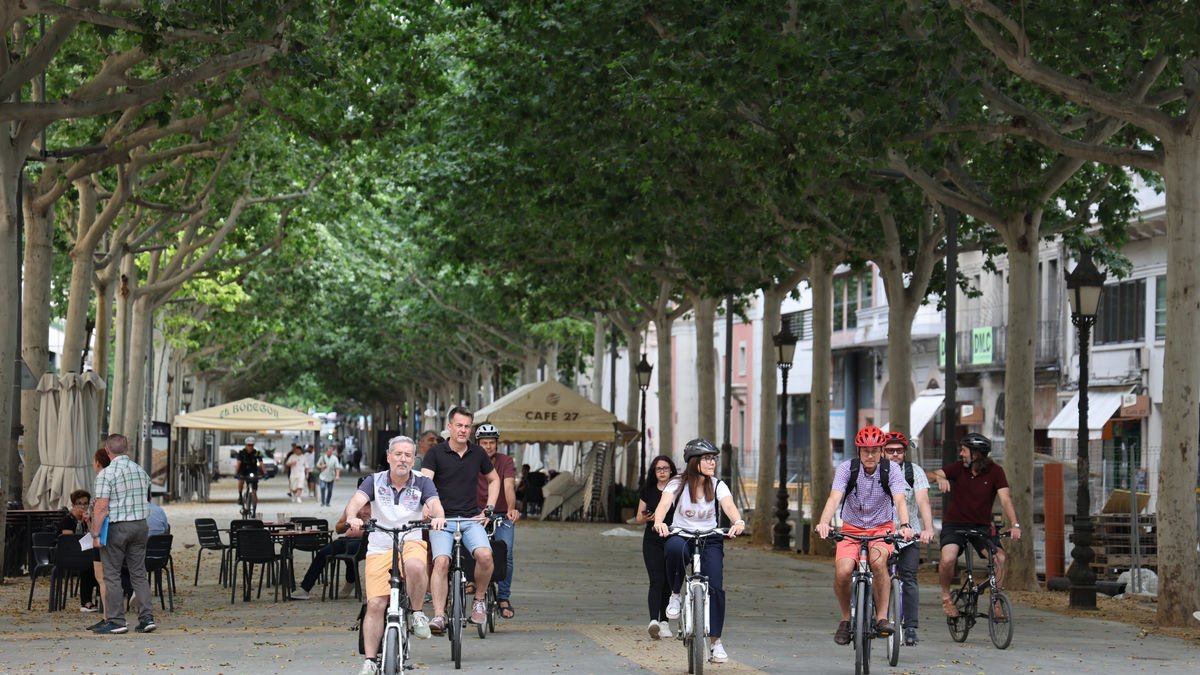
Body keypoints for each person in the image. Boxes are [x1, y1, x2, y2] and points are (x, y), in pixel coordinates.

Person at [344, 436, 445, 675]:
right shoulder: (374, 481)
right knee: (376, 604)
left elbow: (435, 503)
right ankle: (369, 660)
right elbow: (356, 501)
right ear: (389, 457)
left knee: (415, 566)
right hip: (380, 544)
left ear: (413, 459)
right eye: (398, 454)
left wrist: (438, 516)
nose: (403, 459)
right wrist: (352, 516)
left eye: (408, 455)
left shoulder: (422, 482)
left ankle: (418, 612)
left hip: (410, 538)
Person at [814, 425, 914, 645]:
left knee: (878, 564)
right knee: (843, 571)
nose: (870, 455)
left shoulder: (891, 470)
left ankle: (881, 618)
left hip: (881, 529)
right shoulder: (846, 469)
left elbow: (899, 499)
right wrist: (823, 522)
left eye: (875, 450)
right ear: (858, 451)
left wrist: (905, 525)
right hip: (851, 529)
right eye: (865, 450)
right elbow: (834, 499)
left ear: (881, 450)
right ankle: (845, 620)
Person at [652, 438, 744, 665]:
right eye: (707, 458)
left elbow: (729, 505)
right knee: (673, 549)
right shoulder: (677, 483)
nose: (712, 462)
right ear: (694, 462)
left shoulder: (718, 484)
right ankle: (675, 595)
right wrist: (660, 522)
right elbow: (663, 505)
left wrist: (738, 521)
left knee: (716, 587)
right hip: (682, 534)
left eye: (713, 458)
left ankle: (715, 643)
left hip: (710, 538)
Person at [421, 406, 499, 633]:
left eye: (467, 426)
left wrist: (489, 509)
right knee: (442, 562)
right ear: (450, 427)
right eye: (459, 425)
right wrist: (428, 507)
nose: (463, 430)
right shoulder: (435, 453)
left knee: (485, 556)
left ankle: (480, 599)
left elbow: (494, 480)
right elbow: (426, 483)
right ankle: (438, 615)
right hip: (441, 520)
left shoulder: (478, 453)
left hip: (470, 518)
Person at [930, 432, 1022, 619]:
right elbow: (929, 474)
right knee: (948, 559)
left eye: (964, 451)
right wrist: (938, 477)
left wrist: (1015, 524)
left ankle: (996, 600)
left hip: (980, 527)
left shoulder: (996, 471)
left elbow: (1005, 500)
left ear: (976, 454)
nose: (961, 454)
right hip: (954, 525)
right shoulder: (958, 468)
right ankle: (947, 597)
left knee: (1000, 559)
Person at [89, 433, 156, 634]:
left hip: (118, 527)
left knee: (112, 575)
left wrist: (95, 534)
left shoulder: (106, 474)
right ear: (126, 449)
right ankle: (147, 618)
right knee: (138, 573)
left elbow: (101, 507)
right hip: (140, 526)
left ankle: (117, 620)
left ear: (107, 451)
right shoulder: (140, 471)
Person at [882, 431, 934, 646]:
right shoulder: (875, 472)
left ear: (905, 452)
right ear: (882, 452)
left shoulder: (915, 472)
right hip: (880, 535)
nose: (895, 454)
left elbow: (923, 501)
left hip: (908, 535)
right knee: (876, 576)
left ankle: (910, 627)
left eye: (899, 451)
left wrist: (928, 528)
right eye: (890, 450)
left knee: (909, 579)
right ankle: (877, 619)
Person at [474, 423, 520, 620]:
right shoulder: (471, 459)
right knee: (471, 549)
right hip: (476, 513)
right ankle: (474, 587)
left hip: (501, 513)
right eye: (484, 442)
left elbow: (508, 486)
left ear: (497, 444)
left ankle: (503, 597)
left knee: (506, 552)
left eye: (491, 442)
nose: (488, 446)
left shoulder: (505, 461)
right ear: (478, 444)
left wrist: (511, 509)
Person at [290, 502, 372, 600]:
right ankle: (305, 588)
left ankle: (350, 581)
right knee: (323, 553)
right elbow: (338, 528)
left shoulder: (378, 504)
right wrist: (349, 522)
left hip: (367, 541)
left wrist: (367, 521)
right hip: (347, 539)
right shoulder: (353, 506)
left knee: (351, 550)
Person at [636, 454, 678, 640]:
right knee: (656, 580)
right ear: (654, 471)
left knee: (669, 582)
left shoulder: (679, 490)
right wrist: (649, 517)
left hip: (673, 538)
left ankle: (664, 622)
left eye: (665, 468)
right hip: (652, 539)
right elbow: (638, 518)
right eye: (658, 469)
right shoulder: (648, 490)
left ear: (671, 471)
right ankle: (653, 621)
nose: (662, 472)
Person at [59, 489, 101, 612]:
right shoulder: (68, 521)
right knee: (87, 566)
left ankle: (100, 595)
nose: (83, 507)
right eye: (79, 503)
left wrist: (88, 522)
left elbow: (94, 535)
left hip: (86, 554)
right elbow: (69, 541)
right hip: (69, 555)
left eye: (85, 503)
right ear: (73, 505)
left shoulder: (88, 520)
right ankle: (86, 601)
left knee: (97, 563)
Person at [235, 437, 265, 506]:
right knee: (241, 481)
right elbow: (238, 463)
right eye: (248, 445)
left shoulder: (257, 452)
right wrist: (236, 473)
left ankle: (254, 508)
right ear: (246, 445)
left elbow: (261, 463)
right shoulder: (241, 452)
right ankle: (240, 496)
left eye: (251, 445)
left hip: (253, 471)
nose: (250, 447)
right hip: (243, 470)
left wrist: (265, 472)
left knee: (254, 491)